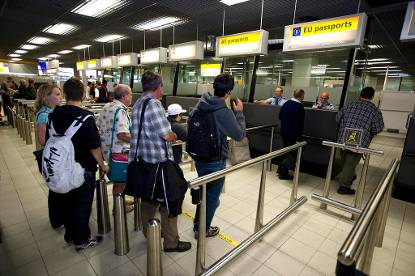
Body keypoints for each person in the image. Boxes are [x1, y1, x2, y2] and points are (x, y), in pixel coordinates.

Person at [129, 71, 191, 252]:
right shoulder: (154, 104)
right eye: (162, 87)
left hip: (143, 160)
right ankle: (171, 242)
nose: (163, 90)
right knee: (170, 199)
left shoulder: (138, 103)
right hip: (159, 162)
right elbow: (166, 135)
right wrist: (174, 135)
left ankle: (151, 234)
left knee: (148, 200)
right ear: (157, 87)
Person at [46, 78, 108, 251]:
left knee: (67, 201)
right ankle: (81, 240)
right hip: (83, 169)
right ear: (83, 94)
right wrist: (103, 165)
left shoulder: (55, 114)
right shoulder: (86, 117)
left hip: (61, 167)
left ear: (65, 95)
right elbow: (94, 147)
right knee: (82, 205)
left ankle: (70, 236)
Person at [189, 73, 246, 238]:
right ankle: (202, 230)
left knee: (205, 192)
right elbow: (239, 134)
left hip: (199, 157)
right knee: (212, 198)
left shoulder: (200, 104)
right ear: (228, 92)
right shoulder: (224, 111)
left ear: (214, 88)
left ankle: (198, 224)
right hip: (215, 161)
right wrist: (239, 113)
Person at [335, 87, 384, 195]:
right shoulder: (374, 110)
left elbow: (337, 119)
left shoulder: (349, 105)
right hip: (359, 141)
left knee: (344, 161)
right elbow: (378, 128)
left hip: (343, 138)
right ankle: (344, 187)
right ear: (372, 96)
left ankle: (348, 176)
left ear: (360, 94)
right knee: (351, 163)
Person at [97, 84, 134, 212]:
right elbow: (122, 134)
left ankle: (120, 200)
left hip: (106, 150)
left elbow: (99, 126)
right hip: (118, 153)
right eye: (130, 94)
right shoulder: (120, 111)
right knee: (120, 182)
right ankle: (118, 208)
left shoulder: (107, 106)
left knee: (117, 180)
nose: (131, 97)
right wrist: (139, 140)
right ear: (124, 96)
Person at [34, 84, 63, 228]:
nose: (60, 97)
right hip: (52, 157)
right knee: (55, 190)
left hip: (56, 155)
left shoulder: (53, 111)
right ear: (46, 97)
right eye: (57, 94)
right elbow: (42, 140)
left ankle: (59, 218)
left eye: (60, 94)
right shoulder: (44, 114)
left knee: (58, 188)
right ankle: (57, 220)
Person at [277, 89, 305, 180]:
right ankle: (282, 171)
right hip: (293, 135)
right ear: (301, 96)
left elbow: (280, 116)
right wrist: (298, 138)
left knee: (285, 151)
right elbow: (299, 124)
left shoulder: (286, 103)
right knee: (291, 155)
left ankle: (281, 170)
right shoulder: (300, 107)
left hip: (284, 132)